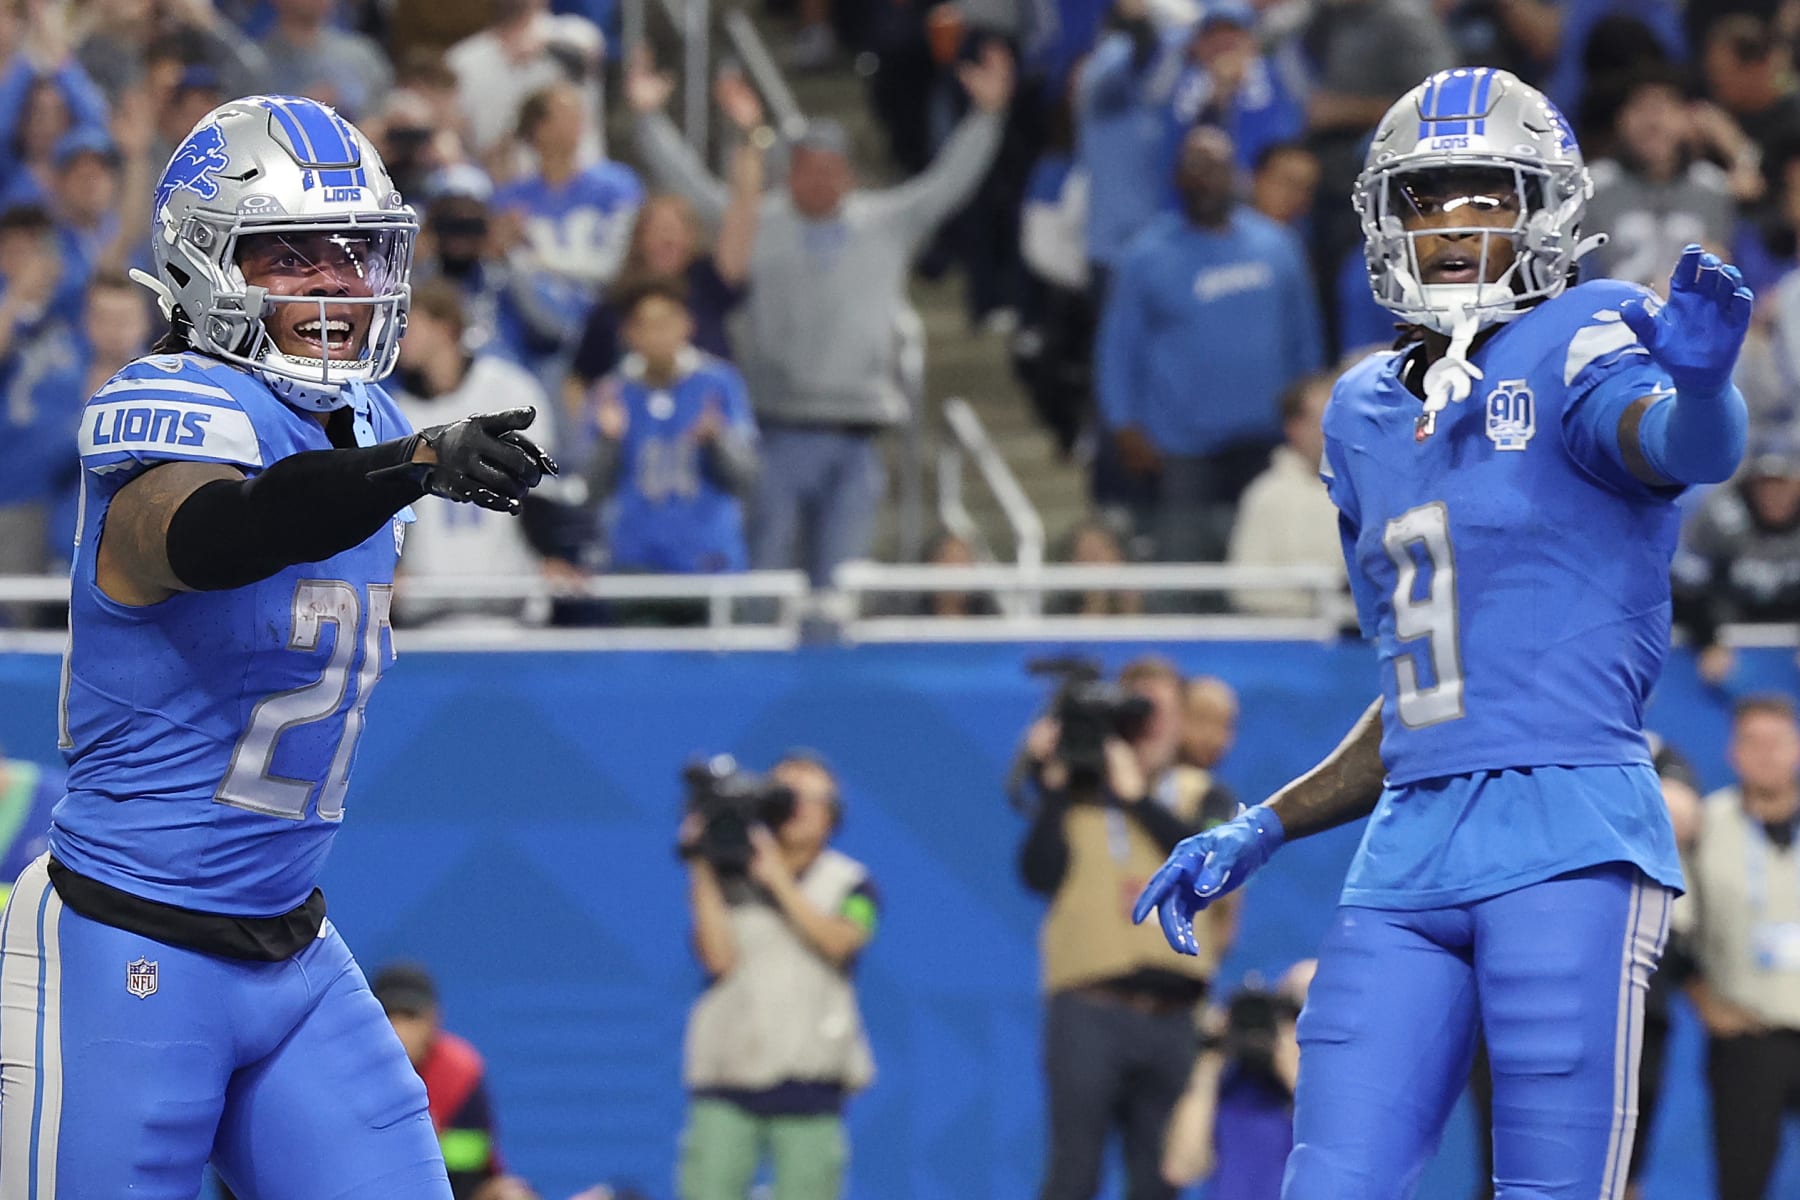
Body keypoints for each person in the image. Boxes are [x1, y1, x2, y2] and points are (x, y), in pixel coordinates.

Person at [1135, 66, 1752, 1199]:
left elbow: (1679, 446)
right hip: (1408, 848)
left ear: (1546, 209)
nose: (1456, 226)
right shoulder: (1364, 408)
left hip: (1567, 830)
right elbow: (1428, 685)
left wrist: (1708, 387)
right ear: (1385, 222)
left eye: (1485, 196)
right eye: (1427, 201)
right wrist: (1265, 825)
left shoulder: (1581, 334)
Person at [0, 94, 554, 1198]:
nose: (338, 286)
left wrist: (401, 459)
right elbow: (214, 533)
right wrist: (410, 467)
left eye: (353, 255)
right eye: (292, 256)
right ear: (208, 263)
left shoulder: (367, 419)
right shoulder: (169, 400)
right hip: (126, 945)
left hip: (292, 952)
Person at [629, 42, 1013, 588]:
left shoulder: (886, 223)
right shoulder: (755, 223)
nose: (821, 180)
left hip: (859, 432)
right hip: (776, 429)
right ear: (789, 175)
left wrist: (988, 116)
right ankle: (760, 673)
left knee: (841, 586)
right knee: (768, 577)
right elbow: (690, 186)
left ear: (851, 174)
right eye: (809, 170)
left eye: (833, 170)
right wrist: (646, 119)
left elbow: (949, 182)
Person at [1017, 656, 1240, 1200]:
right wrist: (1051, 784)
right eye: (1136, 710)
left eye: (1160, 711)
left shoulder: (1204, 795)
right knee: (1073, 1174)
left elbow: (1213, 866)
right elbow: (1037, 872)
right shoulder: (1080, 792)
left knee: (1159, 1180)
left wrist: (1136, 796)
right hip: (1089, 1007)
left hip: (1174, 1014)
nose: (1149, 724)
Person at [1095, 124, 1323, 562]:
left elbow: (1305, 337)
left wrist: (1311, 415)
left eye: (1215, 168)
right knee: (1186, 562)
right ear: (1177, 179)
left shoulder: (1277, 246)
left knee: (1274, 559)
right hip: (1183, 447)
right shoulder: (1145, 256)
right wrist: (1124, 424)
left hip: (1268, 438)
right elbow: (1119, 349)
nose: (1205, 179)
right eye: (1194, 168)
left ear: (1235, 176)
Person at [678, 753, 878, 1200]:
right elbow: (716, 958)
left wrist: (778, 881)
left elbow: (839, 942)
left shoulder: (851, 884)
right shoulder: (728, 878)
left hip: (810, 1085)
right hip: (727, 1080)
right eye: (785, 796)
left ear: (833, 814)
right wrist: (702, 866)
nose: (797, 809)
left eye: (810, 799)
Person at [1684, 694, 1800, 1200]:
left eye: (1777, 741)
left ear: (1796, 748)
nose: (1766, 754)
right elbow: (1676, 931)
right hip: (1746, 1039)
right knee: (1741, 1184)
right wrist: (1704, 1001)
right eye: (1752, 742)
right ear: (1733, 752)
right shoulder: (1706, 825)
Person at [583, 275, 759, 579]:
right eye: (645, 325)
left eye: (665, 322)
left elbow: (747, 477)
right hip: (632, 560)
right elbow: (589, 491)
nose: (656, 335)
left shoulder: (719, 384)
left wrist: (716, 440)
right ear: (628, 333)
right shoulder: (610, 393)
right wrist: (609, 442)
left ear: (686, 324)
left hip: (709, 560)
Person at [1160, 961, 1316, 1199]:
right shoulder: (1230, 1085)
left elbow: (1348, 1159)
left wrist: (1295, 1075)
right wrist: (1211, 1054)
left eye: (1295, 1012)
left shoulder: (1344, 1095)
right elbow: (1181, 1168)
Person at [374, 962, 505, 1200]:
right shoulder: (345, 1073)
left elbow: (471, 1169)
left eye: (410, 1016)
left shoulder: (462, 1075)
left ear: (433, 1018)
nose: (400, 1028)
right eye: (389, 1015)